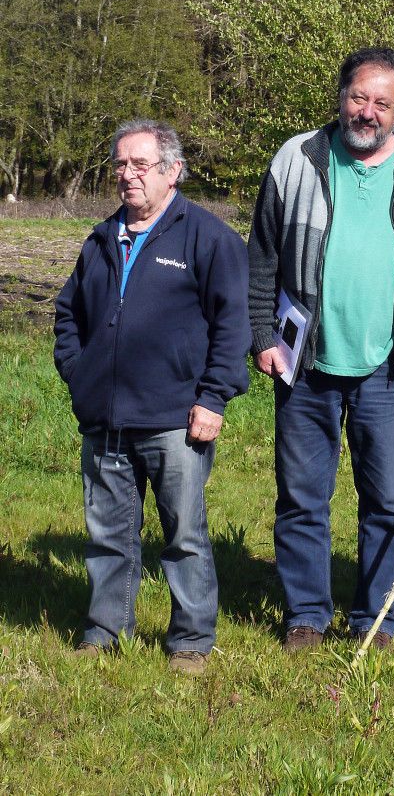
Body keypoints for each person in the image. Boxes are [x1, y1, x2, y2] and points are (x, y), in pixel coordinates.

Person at [248, 47, 394, 652]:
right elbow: (262, 253)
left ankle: (377, 617)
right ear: (341, 97)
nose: (367, 112)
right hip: (305, 362)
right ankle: (307, 618)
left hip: (389, 368)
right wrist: (262, 336)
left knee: (388, 500)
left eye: (382, 103)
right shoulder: (297, 158)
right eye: (358, 97)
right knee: (301, 497)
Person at [53, 119, 251, 675]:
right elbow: (68, 314)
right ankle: (105, 629)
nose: (127, 175)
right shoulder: (100, 239)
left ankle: (190, 641)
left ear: (173, 172)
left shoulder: (208, 238)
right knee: (107, 534)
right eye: (120, 164)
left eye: (140, 165)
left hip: (176, 418)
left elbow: (232, 327)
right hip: (106, 416)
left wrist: (213, 398)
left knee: (183, 535)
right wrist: (79, 372)